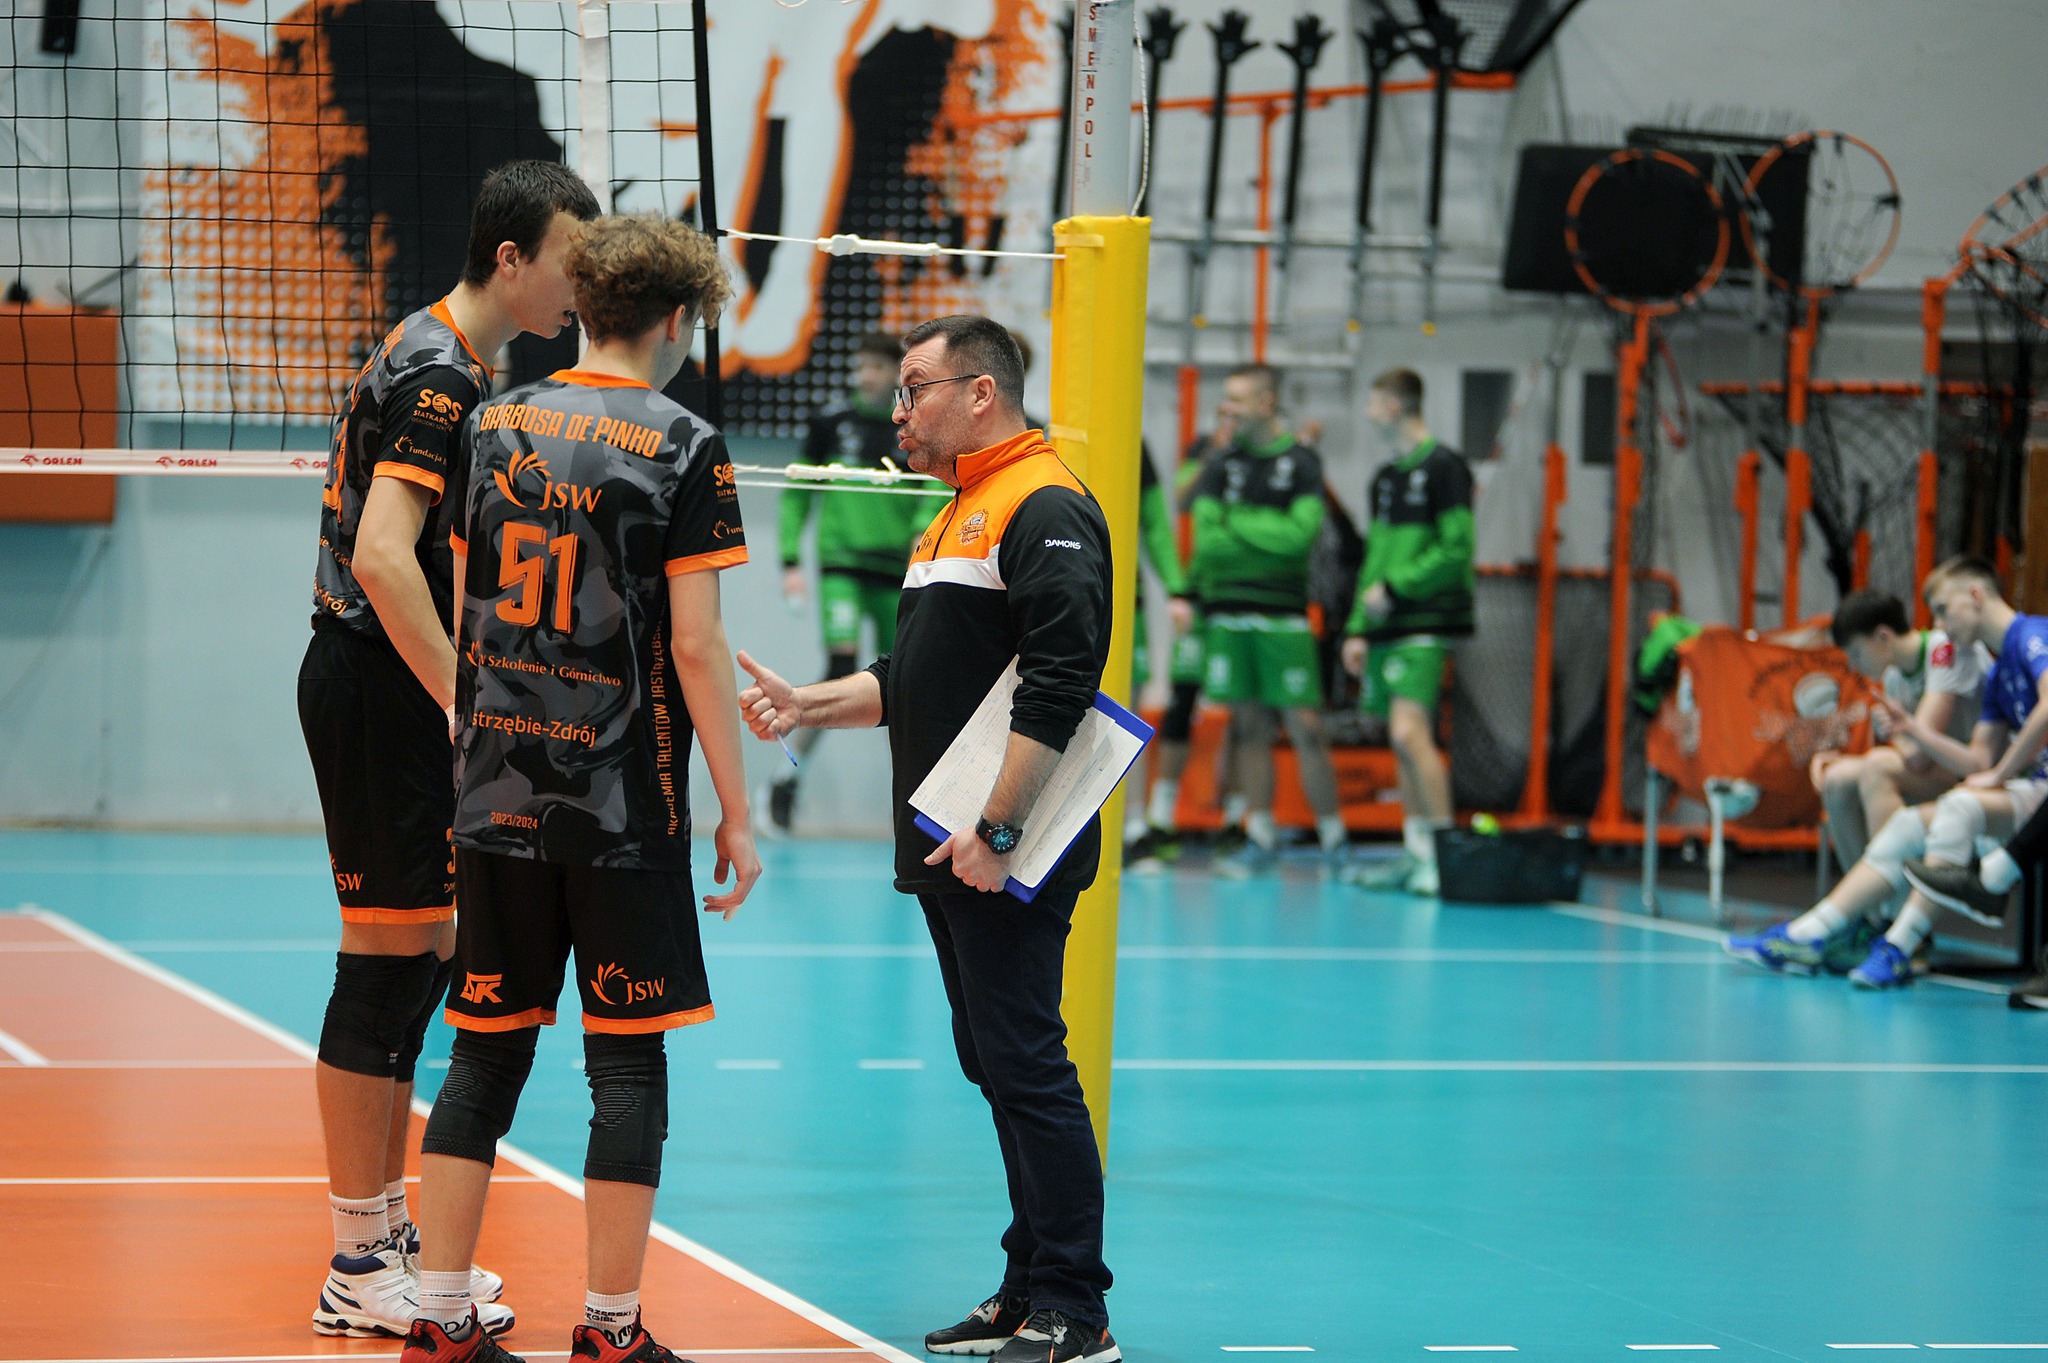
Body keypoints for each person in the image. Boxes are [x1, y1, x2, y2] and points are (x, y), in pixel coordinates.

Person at [398, 213, 761, 1363]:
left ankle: (439, 1314)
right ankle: (609, 1331)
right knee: (627, 1060)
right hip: (620, 806)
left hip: (495, 789)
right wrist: (737, 809)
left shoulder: (492, 422)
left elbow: (468, 598)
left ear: (588, 303)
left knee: (481, 1052)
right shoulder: (685, 443)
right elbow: (695, 646)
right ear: (677, 316)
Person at [735, 314, 1121, 1363]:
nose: (897, 413)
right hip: (955, 846)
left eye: (916, 390)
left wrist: (998, 826)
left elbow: (1058, 684)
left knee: (1026, 1062)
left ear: (980, 392)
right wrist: (807, 703)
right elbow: (913, 680)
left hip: (1002, 848)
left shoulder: (1043, 504)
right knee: (993, 1062)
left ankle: (1075, 1308)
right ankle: (1025, 1286)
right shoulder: (953, 514)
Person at [301, 159, 597, 1340]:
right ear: (510, 257)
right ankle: (355, 1256)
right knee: (384, 964)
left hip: (385, 685)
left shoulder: (455, 359)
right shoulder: (438, 372)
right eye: (570, 263)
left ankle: (380, 1239)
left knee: (418, 959)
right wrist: (467, 707)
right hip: (378, 685)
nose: (581, 287)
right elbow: (382, 556)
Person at [1726, 558, 2048, 988]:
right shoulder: (2000, 671)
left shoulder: (2030, 635)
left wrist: (1998, 771)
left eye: (1942, 609)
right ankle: (1812, 932)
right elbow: (1977, 761)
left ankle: (1902, 941)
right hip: (2023, 789)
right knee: (1905, 825)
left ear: (1975, 595)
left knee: (1955, 805)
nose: (1939, 623)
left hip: (2031, 791)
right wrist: (1914, 732)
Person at [762, 330, 936, 836]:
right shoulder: (831, 423)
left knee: (904, 682)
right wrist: (790, 561)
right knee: (841, 665)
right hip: (841, 563)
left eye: (877, 368)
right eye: (861, 367)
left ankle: (913, 797)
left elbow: (933, 490)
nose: (867, 377)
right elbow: (797, 493)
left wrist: (921, 538)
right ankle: (784, 780)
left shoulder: (914, 427)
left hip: (897, 571)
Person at [1186, 363, 1350, 876]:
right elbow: (1207, 541)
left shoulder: (1301, 462)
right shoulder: (1220, 462)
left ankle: (1335, 841)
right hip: (1228, 613)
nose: (1227, 409)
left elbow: (1299, 538)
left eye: (1237, 399)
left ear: (1266, 402)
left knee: (1306, 726)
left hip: (1284, 616)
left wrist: (1235, 522)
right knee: (1249, 726)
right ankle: (1260, 837)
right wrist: (1262, 533)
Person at [1339, 367, 1474, 897]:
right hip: (1386, 624)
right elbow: (1376, 554)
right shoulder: (1385, 478)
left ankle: (1443, 856)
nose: (1369, 412)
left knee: (1408, 732)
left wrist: (1398, 588)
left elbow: (1456, 547)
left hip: (1426, 619)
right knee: (1399, 743)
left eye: (1374, 401)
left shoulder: (1445, 468)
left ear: (1394, 406)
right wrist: (1357, 628)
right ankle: (1416, 853)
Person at [1811, 589, 1985, 868]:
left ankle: (1888, 888)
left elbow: (1918, 756)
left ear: (1883, 636)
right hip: (1941, 771)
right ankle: (1862, 889)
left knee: (1878, 766)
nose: (1854, 666)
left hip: (1977, 771)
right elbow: (1910, 748)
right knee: (1837, 778)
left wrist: (1896, 737)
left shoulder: (1943, 649)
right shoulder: (1893, 677)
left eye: (1856, 652)